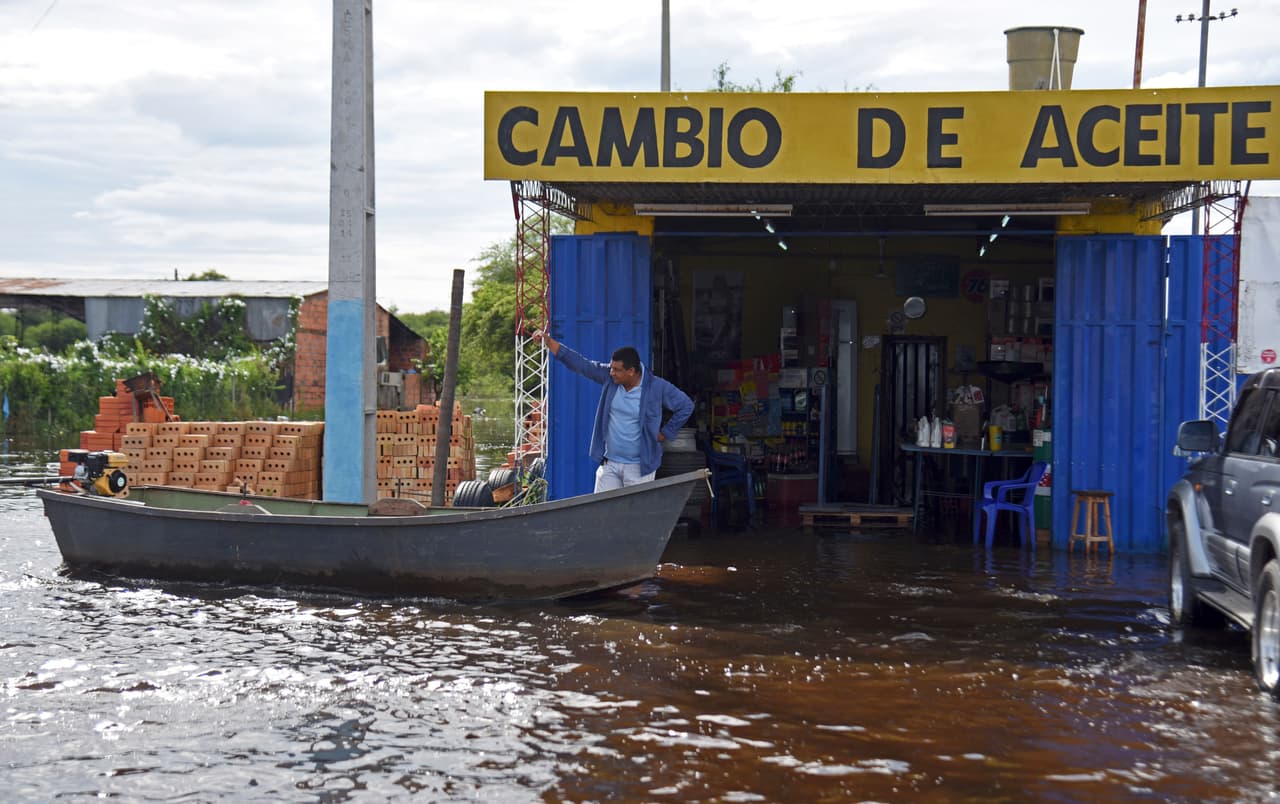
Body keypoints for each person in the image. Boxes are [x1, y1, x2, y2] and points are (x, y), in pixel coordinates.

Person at [531, 330, 693, 492]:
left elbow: (686, 406)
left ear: (631, 371)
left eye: (616, 369)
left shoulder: (657, 387)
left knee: (634, 516)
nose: (611, 372)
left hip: (639, 468)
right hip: (610, 464)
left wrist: (665, 433)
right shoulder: (610, 379)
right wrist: (548, 341)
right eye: (611, 367)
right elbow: (582, 364)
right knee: (601, 513)